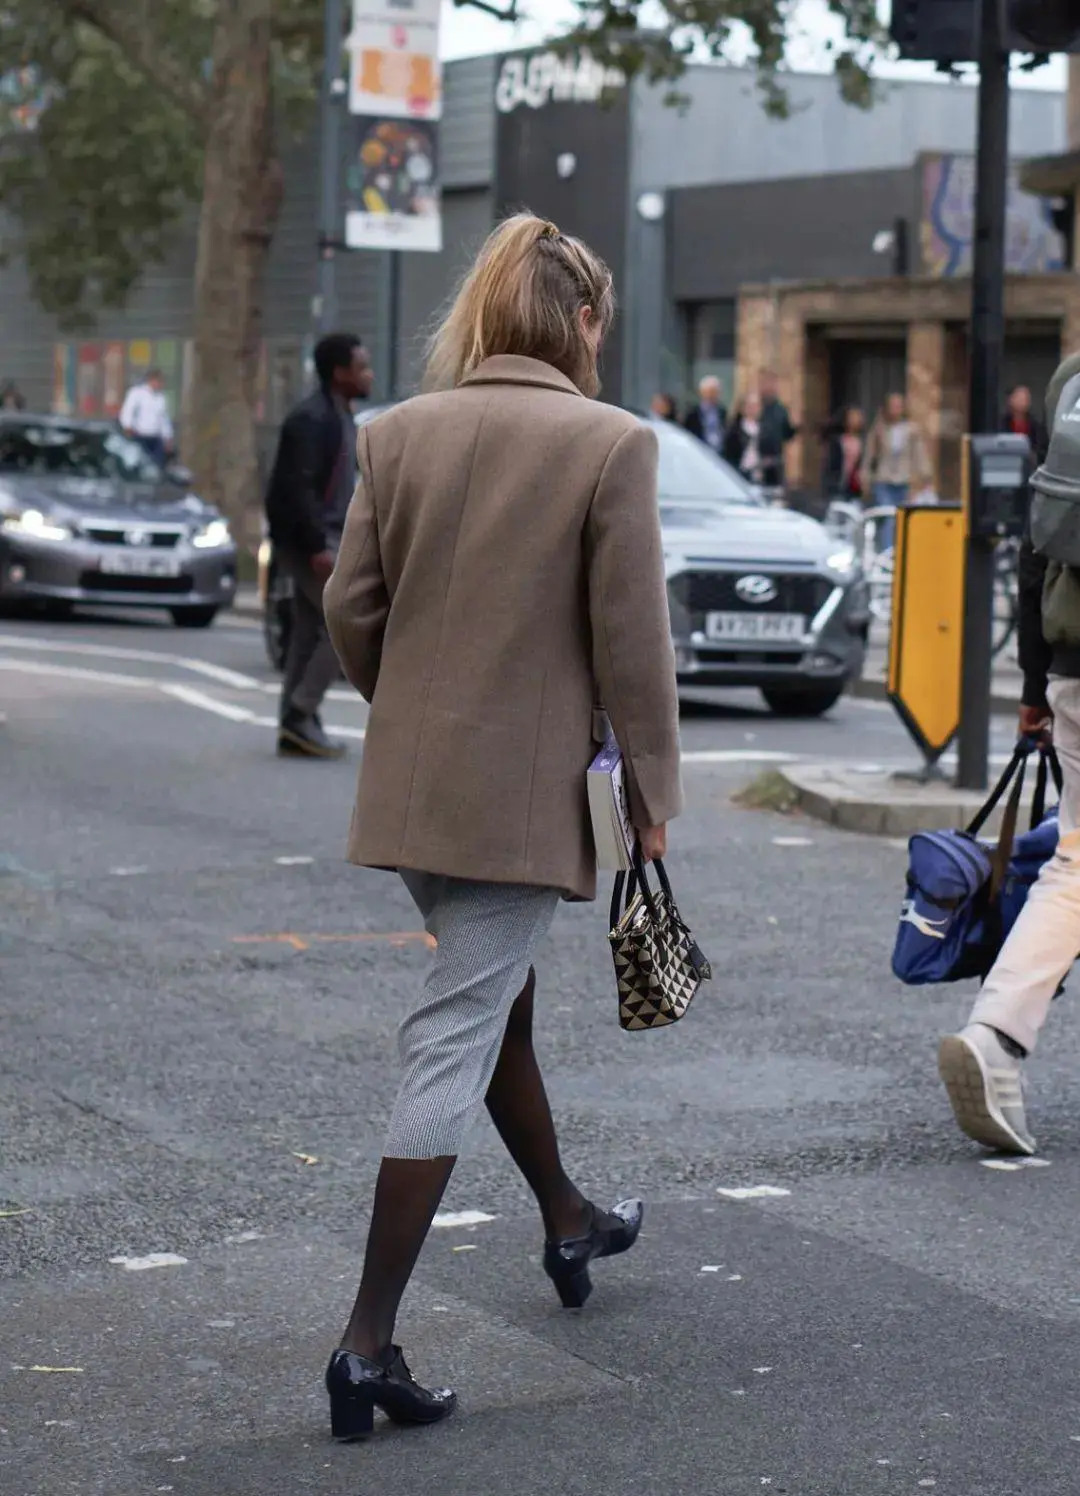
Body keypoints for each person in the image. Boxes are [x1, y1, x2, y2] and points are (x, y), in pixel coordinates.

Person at [321, 213, 682, 1440]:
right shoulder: (607, 442)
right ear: (579, 321)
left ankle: (567, 1212)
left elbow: (349, 606)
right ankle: (366, 1343)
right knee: (454, 1039)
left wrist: (416, 714)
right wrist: (650, 795)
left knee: (496, 1001)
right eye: (601, 321)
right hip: (518, 803)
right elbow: (634, 643)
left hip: (417, 796)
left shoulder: (398, 433)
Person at [938, 353, 1079, 1156]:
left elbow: (1038, 543)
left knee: (1075, 864)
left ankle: (995, 1035)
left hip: (1072, 665)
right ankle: (995, 1042)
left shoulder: (1071, 381)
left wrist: (1033, 679)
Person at [264, 332, 374, 759]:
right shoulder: (311, 420)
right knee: (341, 626)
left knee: (309, 631)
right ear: (339, 372)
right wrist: (316, 547)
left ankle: (296, 724)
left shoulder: (341, 415)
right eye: (361, 366)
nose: (369, 374)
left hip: (324, 538)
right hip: (311, 543)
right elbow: (297, 489)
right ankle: (300, 711)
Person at [859, 392, 931, 551]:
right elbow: (869, 455)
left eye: (898, 406)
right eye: (892, 406)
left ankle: (902, 551)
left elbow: (919, 455)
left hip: (904, 481)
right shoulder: (879, 429)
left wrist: (925, 477)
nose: (895, 409)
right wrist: (864, 477)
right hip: (883, 480)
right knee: (887, 518)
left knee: (902, 518)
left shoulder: (911, 430)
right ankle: (887, 554)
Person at [119, 369, 174, 465]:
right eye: (159, 381)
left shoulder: (162, 398)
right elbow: (128, 411)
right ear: (151, 380)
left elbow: (164, 419)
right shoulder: (137, 393)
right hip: (139, 435)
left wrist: (167, 437)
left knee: (157, 464)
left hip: (156, 437)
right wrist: (127, 426)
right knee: (140, 464)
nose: (160, 385)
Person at [757, 369, 797, 492]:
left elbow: (787, 434)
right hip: (757, 460)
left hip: (776, 460)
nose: (770, 387)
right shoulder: (756, 406)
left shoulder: (780, 410)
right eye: (766, 383)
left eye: (773, 383)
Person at [822, 405, 866, 501]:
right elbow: (830, 464)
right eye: (852, 417)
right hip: (839, 486)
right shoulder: (838, 441)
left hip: (854, 488)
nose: (855, 421)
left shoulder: (862, 442)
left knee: (901, 510)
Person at [722, 390, 764, 484]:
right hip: (740, 475)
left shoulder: (766, 429)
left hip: (761, 476)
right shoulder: (734, 430)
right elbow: (729, 455)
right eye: (749, 406)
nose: (753, 409)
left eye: (756, 405)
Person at [683, 375, 727, 453]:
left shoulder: (722, 412)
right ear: (701, 393)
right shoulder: (693, 414)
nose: (711, 395)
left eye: (714, 392)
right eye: (709, 392)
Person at [1002, 382, 1047, 453]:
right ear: (1011, 399)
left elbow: (1041, 448)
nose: (1023, 401)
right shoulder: (1001, 423)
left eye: (1026, 398)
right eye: (1019, 397)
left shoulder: (1035, 425)